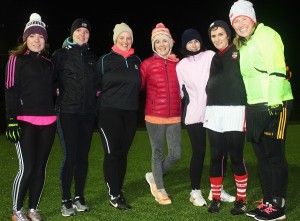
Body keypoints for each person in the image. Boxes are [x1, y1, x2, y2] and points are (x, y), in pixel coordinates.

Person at [229, 0, 294, 220]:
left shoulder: (267, 35)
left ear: (252, 19)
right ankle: (267, 201)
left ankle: (278, 205)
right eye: (236, 21)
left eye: (243, 18)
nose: (240, 24)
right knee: (262, 156)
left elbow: (277, 68)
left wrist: (274, 104)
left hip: (275, 104)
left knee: (274, 155)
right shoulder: (244, 44)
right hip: (255, 106)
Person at [5, 13, 57, 221]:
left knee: (40, 168)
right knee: (26, 168)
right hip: (25, 122)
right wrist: (11, 119)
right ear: (26, 38)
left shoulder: (49, 64)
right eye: (33, 35)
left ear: (45, 40)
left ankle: (33, 209)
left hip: (49, 123)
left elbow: (51, 89)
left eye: (41, 36)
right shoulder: (15, 60)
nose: (37, 39)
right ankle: (17, 211)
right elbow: (10, 90)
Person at [51, 18, 99, 217]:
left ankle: (79, 196)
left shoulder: (91, 56)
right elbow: (50, 81)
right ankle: (66, 199)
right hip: (67, 113)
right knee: (70, 156)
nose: (82, 34)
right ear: (72, 33)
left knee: (82, 157)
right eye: (78, 31)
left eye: (86, 32)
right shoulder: (60, 55)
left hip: (87, 113)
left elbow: (98, 83)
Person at [204, 19, 249, 215]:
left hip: (236, 109)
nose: (217, 39)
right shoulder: (212, 58)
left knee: (236, 156)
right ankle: (216, 197)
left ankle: (241, 199)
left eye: (220, 34)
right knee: (215, 156)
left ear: (228, 35)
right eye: (213, 36)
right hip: (213, 111)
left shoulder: (240, 52)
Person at [96, 22, 141, 210]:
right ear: (115, 39)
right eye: (121, 37)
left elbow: (144, 84)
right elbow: (94, 85)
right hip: (109, 113)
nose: (125, 40)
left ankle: (118, 189)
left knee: (122, 154)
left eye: (128, 37)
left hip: (130, 114)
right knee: (112, 153)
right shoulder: (105, 60)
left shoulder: (137, 61)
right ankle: (113, 194)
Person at [141, 23, 181, 205]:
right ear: (153, 45)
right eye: (158, 42)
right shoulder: (147, 64)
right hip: (154, 115)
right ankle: (159, 187)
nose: (162, 45)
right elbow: (136, 86)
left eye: (165, 41)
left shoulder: (178, 64)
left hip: (174, 116)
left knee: (175, 154)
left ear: (170, 43)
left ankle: (153, 175)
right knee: (157, 153)